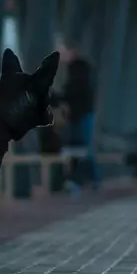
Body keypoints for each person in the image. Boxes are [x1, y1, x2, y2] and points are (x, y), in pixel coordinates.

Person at [56, 44, 98, 193]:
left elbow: (74, 91)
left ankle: (85, 180)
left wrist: (60, 97)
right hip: (80, 113)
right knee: (81, 148)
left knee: (81, 148)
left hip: (80, 114)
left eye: (63, 52)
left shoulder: (78, 70)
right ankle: (86, 180)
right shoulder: (81, 69)